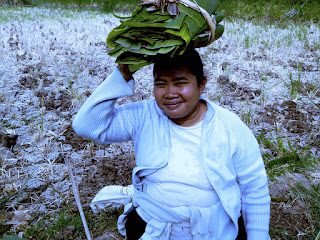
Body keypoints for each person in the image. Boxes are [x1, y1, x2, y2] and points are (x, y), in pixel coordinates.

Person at [72, 49, 271, 240]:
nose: (170, 93)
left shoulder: (229, 126)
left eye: (179, 83)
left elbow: (254, 188)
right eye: (161, 84)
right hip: (153, 226)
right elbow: (86, 125)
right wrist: (123, 72)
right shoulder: (144, 116)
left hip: (214, 230)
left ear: (201, 84)